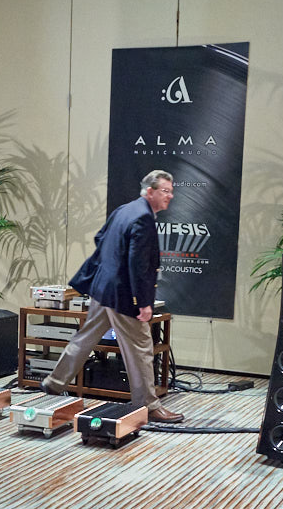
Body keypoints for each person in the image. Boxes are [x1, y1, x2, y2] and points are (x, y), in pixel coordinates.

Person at [42, 169, 183, 423]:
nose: (170, 196)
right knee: (141, 347)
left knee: (85, 337)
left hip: (102, 289)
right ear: (149, 191)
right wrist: (143, 303)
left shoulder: (123, 210)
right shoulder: (143, 218)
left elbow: (101, 238)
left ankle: (54, 381)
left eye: (171, 191)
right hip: (123, 296)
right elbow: (138, 265)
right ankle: (149, 405)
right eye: (165, 191)